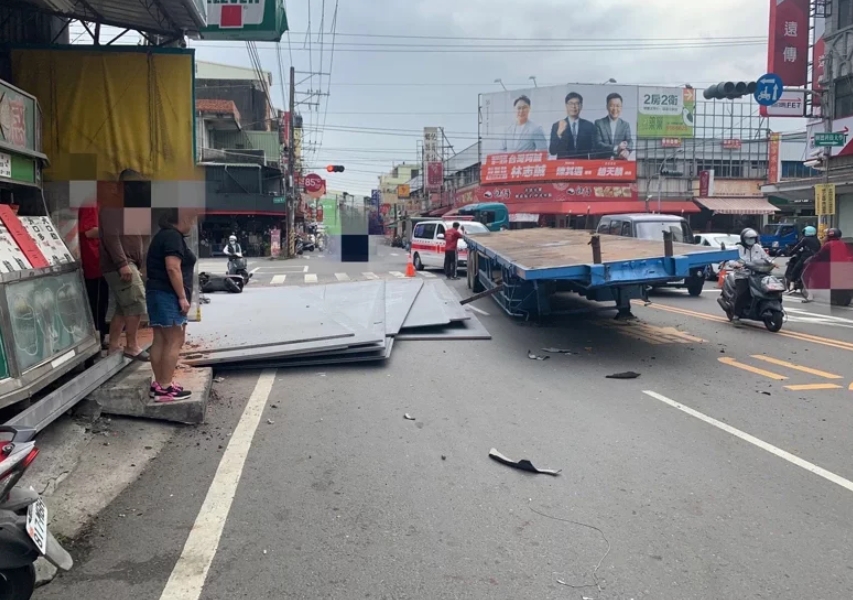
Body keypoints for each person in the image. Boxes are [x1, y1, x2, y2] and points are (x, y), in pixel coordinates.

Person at [146, 208, 198, 402]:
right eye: (191, 219)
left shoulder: (163, 235)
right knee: (175, 339)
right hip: (168, 294)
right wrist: (182, 297)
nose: (192, 224)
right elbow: (173, 268)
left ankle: (160, 384)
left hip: (157, 292)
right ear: (182, 218)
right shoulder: (172, 237)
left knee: (161, 339)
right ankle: (165, 387)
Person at [100, 169, 149, 361]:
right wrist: (123, 263)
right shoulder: (112, 206)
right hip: (121, 264)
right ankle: (132, 345)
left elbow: (138, 237)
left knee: (124, 306)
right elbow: (111, 237)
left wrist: (138, 263)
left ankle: (113, 345)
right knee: (136, 303)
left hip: (130, 263)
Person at [78, 197, 109, 349]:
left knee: (102, 301)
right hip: (93, 260)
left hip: (100, 260)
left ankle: (100, 335)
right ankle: (97, 338)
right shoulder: (90, 204)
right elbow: (89, 232)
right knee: (97, 302)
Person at [727, 227, 770, 318]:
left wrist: (772, 262)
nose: (751, 240)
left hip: (758, 275)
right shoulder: (737, 248)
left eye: (753, 238)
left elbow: (766, 258)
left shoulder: (758, 247)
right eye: (748, 238)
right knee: (744, 293)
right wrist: (736, 264)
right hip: (742, 275)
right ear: (743, 239)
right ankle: (736, 314)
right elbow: (730, 260)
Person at [549, 92, 596, 159]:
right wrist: (559, 135)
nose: (574, 106)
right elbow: (552, 151)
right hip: (563, 164)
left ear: (581, 106)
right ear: (566, 105)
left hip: (582, 164)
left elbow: (594, 150)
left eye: (577, 103)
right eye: (571, 103)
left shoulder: (589, 126)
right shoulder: (557, 126)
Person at [594, 93, 633, 160]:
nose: (615, 109)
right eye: (612, 106)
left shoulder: (625, 125)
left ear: (621, 107)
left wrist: (627, 151)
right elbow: (598, 144)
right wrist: (616, 148)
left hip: (620, 162)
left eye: (618, 106)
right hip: (602, 162)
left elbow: (629, 141)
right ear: (607, 107)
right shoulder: (599, 123)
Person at [784, 226, 821, 292]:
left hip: (805, 258)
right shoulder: (817, 240)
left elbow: (797, 247)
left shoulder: (805, 239)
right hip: (815, 259)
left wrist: (790, 253)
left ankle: (792, 283)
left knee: (796, 268)